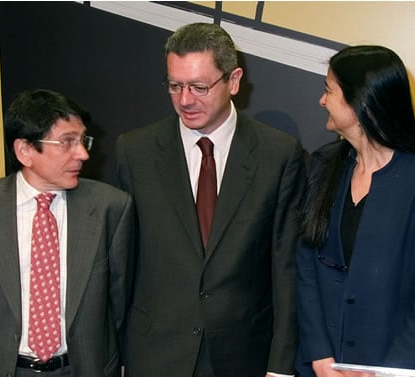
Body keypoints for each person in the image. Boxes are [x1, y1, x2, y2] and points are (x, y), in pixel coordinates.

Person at [114, 23, 306, 377]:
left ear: (233, 81)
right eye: (175, 86)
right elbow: (122, 265)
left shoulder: (278, 155)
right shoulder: (135, 152)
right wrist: (120, 357)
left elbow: (286, 270)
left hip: (243, 356)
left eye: (199, 87)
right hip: (155, 355)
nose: (185, 100)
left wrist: (280, 367)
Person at [295, 45, 415, 377]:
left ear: (360, 102)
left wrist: (385, 373)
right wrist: (320, 355)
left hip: (393, 369)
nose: (322, 100)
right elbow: (306, 266)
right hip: (320, 368)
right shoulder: (324, 164)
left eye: (329, 90)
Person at [0, 89, 134, 377]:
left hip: (82, 368)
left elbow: (118, 302)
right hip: (1, 368)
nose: (83, 154)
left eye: (83, 140)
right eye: (67, 142)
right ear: (25, 151)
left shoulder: (111, 207)